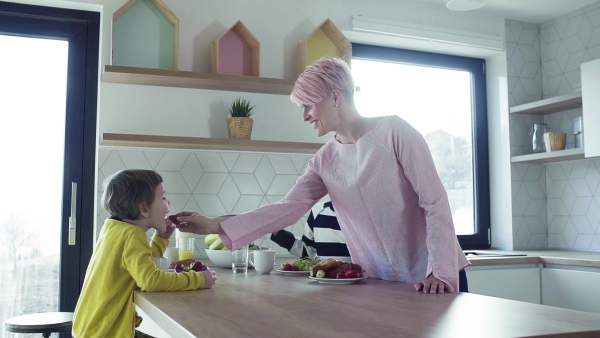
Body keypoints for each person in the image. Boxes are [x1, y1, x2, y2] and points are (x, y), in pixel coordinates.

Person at [174, 57, 469, 294]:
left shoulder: (396, 133)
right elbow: (285, 211)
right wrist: (214, 224)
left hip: (433, 277)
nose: (304, 116)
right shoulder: (324, 160)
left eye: (308, 105)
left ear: (335, 97)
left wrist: (439, 273)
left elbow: (435, 203)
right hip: (382, 284)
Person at [73, 169, 217, 338]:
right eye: (163, 197)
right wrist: (199, 279)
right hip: (106, 332)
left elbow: (139, 265)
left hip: (90, 327)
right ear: (144, 209)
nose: (168, 202)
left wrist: (160, 239)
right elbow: (151, 280)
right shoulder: (132, 234)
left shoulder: (114, 228)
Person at [270, 201, 351, 261]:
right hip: (325, 281)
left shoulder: (363, 213)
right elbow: (308, 252)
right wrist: (276, 232)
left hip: (360, 281)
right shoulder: (318, 211)